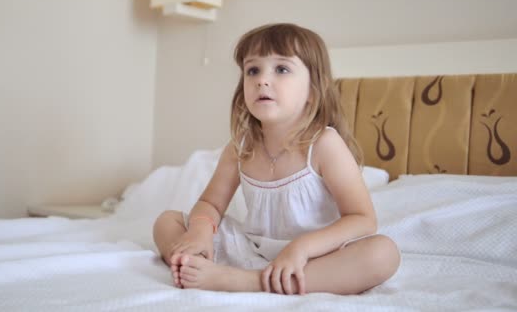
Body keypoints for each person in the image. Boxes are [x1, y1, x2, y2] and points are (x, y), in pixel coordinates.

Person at [152, 23, 400, 295]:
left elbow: (362, 219)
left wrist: (301, 247)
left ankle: (244, 282)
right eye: (253, 70)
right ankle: (200, 267)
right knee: (167, 222)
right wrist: (200, 231)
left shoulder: (324, 144)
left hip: (315, 258)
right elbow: (210, 203)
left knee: (382, 253)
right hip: (254, 250)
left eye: (281, 69)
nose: (262, 79)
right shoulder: (239, 148)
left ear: (313, 91)